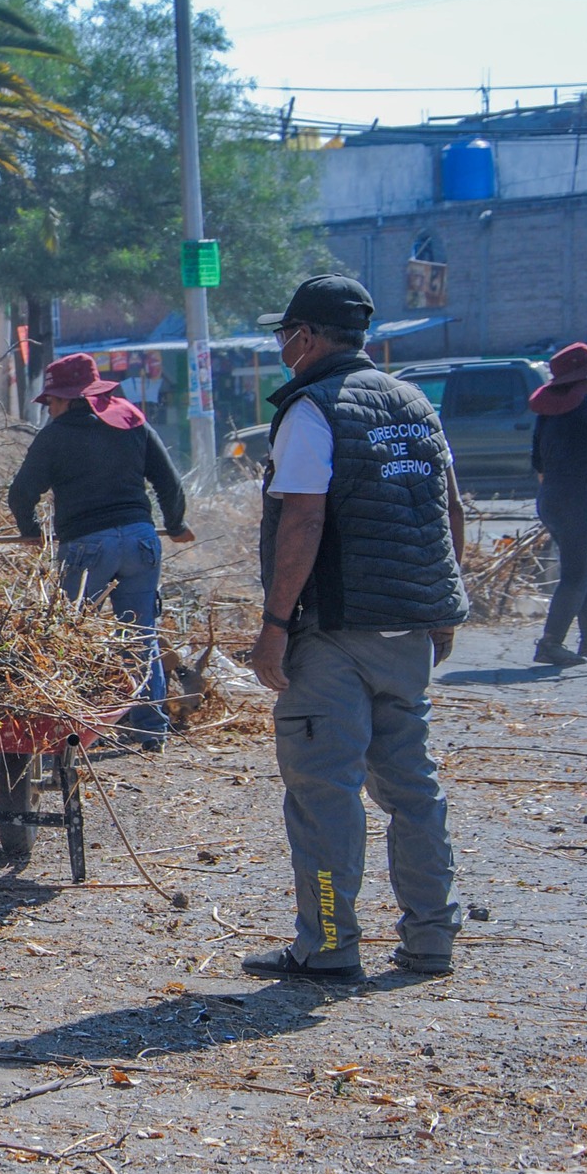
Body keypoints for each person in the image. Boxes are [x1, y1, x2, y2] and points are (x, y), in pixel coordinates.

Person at [247, 275, 469, 981]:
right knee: (413, 790)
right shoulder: (413, 404)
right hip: (410, 632)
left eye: (286, 333)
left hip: (335, 634)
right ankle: (432, 937)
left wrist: (275, 625)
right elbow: (452, 509)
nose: (283, 346)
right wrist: (443, 606)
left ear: (307, 337)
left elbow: (304, 520)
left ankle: (330, 943)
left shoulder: (312, 409)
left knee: (323, 793)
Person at [9, 352, 193, 750]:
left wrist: (29, 530)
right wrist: (175, 524)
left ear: (68, 399)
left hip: (87, 546)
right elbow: (170, 483)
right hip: (142, 541)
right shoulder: (130, 419)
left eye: (52, 401)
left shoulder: (55, 435)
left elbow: (22, 492)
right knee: (139, 635)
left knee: (71, 638)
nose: (50, 409)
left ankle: (75, 731)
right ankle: (150, 729)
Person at [528, 342, 587, 666]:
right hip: (581, 502)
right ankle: (550, 644)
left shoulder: (548, 415)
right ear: (581, 378)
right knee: (579, 573)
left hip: (551, 500)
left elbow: (538, 463)